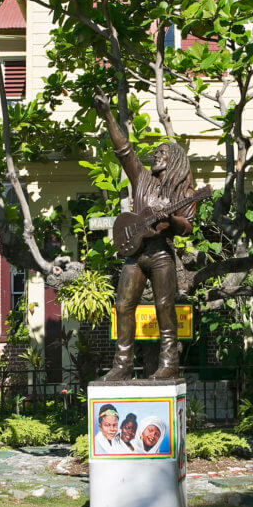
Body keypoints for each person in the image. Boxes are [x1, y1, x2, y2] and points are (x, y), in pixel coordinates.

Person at [93, 94, 196, 380]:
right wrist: (109, 116)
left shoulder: (184, 194)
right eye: (156, 153)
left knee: (165, 306)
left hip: (162, 253)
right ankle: (122, 365)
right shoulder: (143, 181)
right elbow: (124, 150)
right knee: (123, 305)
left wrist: (169, 217)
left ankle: (169, 364)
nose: (156, 156)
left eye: (162, 153)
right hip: (135, 253)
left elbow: (186, 227)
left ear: (174, 160)